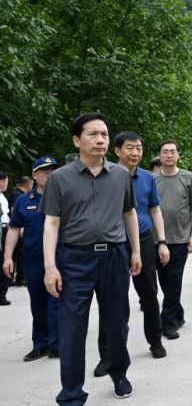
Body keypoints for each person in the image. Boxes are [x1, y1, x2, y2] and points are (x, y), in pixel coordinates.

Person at [41, 112, 142, 403]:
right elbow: (51, 223)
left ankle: (119, 373)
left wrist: (135, 251)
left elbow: (128, 213)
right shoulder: (60, 178)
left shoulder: (122, 174)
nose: (100, 140)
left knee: (117, 321)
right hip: (75, 258)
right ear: (77, 140)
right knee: (72, 327)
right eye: (93, 134)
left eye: (105, 135)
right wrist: (51, 266)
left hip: (114, 256)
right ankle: (71, 392)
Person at [94, 132, 170, 378]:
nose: (136, 153)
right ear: (117, 151)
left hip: (145, 241)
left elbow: (155, 210)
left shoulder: (147, 178)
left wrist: (162, 242)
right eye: (130, 148)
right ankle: (108, 356)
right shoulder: (104, 176)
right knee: (112, 301)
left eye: (139, 148)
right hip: (113, 244)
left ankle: (155, 341)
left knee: (149, 294)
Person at [3, 157, 60, 360]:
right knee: (37, 302)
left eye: (53, 171)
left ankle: (57, 344)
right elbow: (14, 228)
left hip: (59, 258)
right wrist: (8, 257)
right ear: (34, 175)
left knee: (57, 301)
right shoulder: (23, 200)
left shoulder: (64, 197)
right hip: (33, 259)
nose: (50, 174)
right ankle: (41, 343)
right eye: (45, 171)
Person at [154, 139, 192, 340]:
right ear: (159, 155)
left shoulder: (189, 178)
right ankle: (178, 314)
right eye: (165, 152)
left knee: (174, 281)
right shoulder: (151, 179)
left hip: (180, 238)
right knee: (165, 282)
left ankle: (168, 322)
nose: (169, 155)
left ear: (178, 155)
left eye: (173, 151)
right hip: (157, 240)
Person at [8, 176, 32, 287]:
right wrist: (21, 226)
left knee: (17, 254)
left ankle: (15, 277)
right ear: (29, 185)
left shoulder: (17, 194)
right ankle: (17, 278)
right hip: (17, 228)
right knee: (18, 253)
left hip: (16, 227)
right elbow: (14, 211)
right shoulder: (19, 196)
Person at [0, 171, 10, 306]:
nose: (7, 185)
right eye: (6, 182)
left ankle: (2, 294)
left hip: (4, 230)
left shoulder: (2, 196)